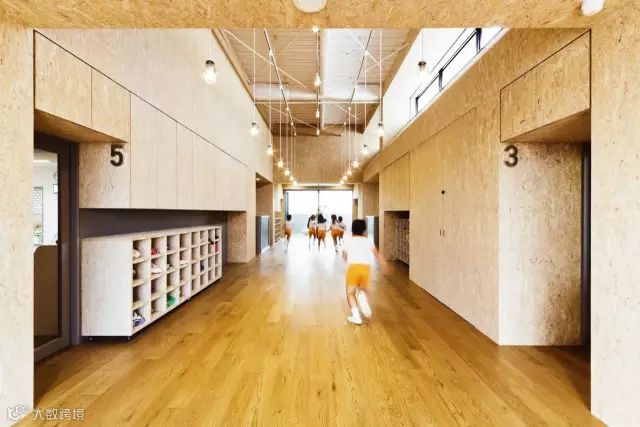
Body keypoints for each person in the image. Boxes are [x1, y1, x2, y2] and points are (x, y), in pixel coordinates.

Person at [342, 219, 380, 325]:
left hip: (353, 268)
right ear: (364, 230)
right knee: (361, 289)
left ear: (352, 229)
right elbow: (376, 254)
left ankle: (356, 317)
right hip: (365, 268)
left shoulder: (349, 240)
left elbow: (344, 255)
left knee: (350, 293)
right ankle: (362, 298)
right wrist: (384, 264)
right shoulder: (367, 241)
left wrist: (348, 259)